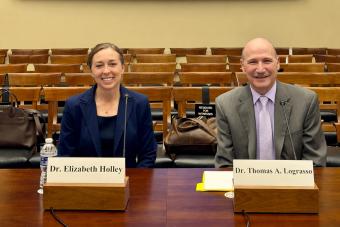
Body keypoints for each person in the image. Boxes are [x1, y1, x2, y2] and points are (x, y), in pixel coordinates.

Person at [215, 37, 327, 167]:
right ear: (242, 66)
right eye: (252, 62)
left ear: (278, 63)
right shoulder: (225, 104)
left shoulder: (306, 101)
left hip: (292, 185)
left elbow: (315, 161)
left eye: (267, 61)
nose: (260, 69)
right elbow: (225, 164)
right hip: (246, 185)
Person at [58, 43, 157, 167]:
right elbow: (65, 154)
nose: (106, 71)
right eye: (99, 65)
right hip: (85, 182)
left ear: (122, 68)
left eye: (112, 64)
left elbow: (148, 154)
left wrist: (135, 183)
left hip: (128, 182)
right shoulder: (74, 105)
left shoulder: (140, 103)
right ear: (91, 71)